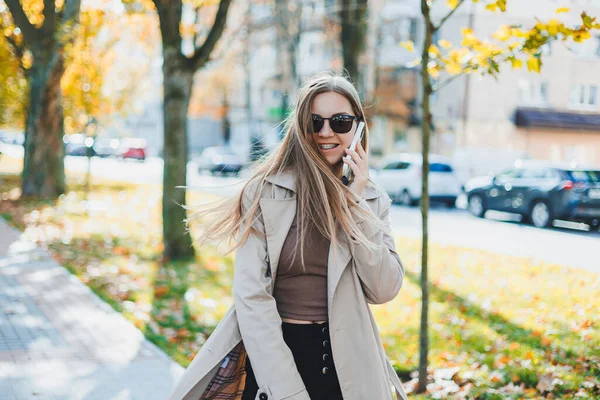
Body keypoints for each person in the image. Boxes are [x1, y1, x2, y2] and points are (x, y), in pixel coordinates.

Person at [168, 71, 408, 400]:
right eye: (315, 122)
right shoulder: (265, 191)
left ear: (358, 127)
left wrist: (354, 205)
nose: (326, 132)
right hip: (273, 357)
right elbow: (251, 297)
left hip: (347, 366)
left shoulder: (370, 199)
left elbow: (383, 289)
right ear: (300, 127)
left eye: (339, 121)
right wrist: (287, 389)